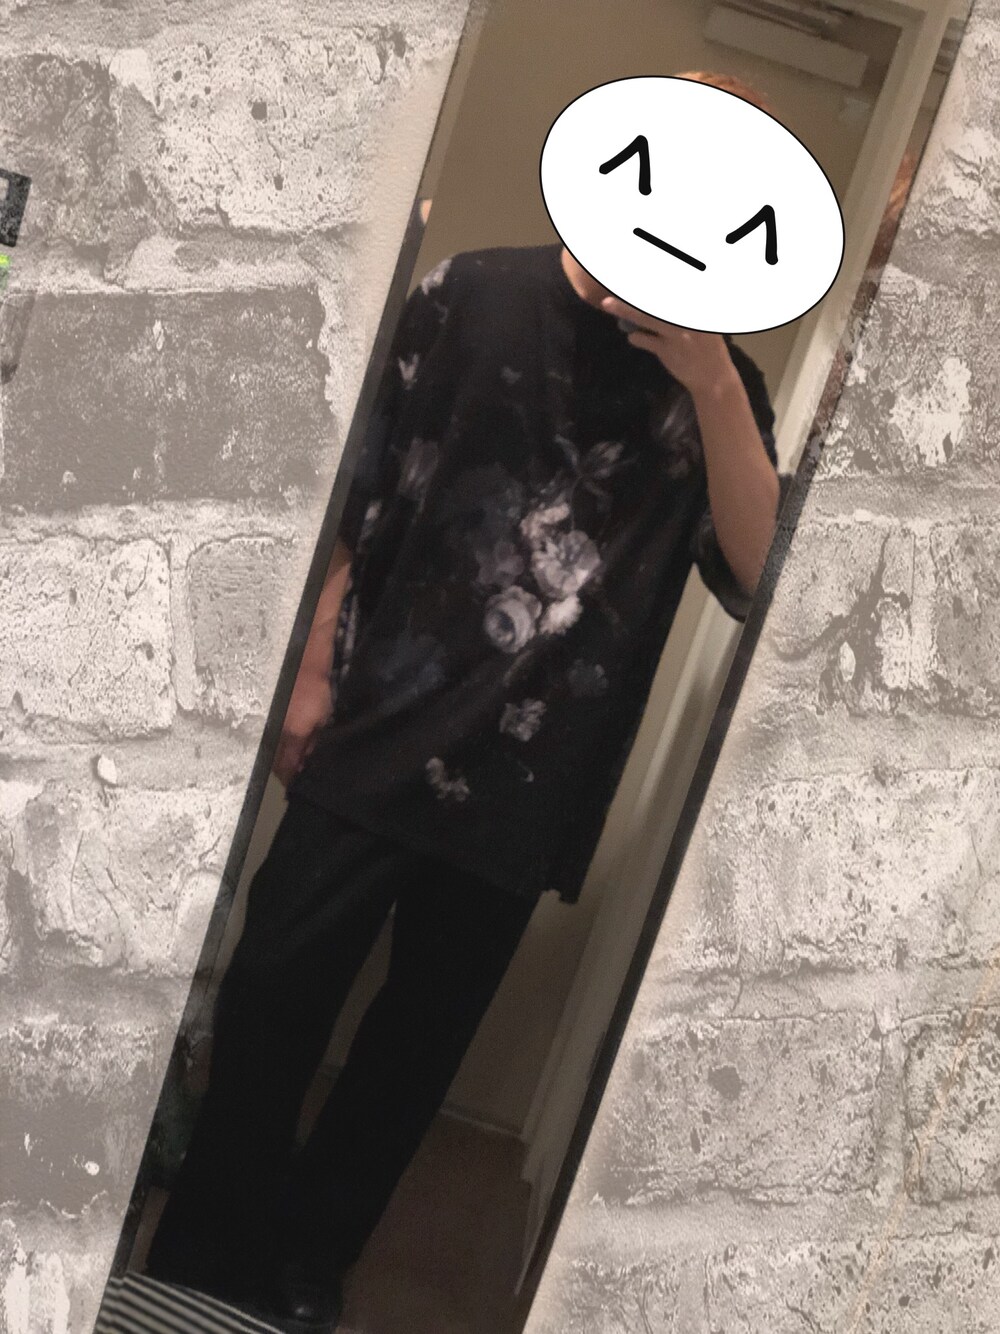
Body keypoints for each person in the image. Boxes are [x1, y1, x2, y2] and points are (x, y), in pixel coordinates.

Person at [144, 70, 786, 1333]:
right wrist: (309, 674)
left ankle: (307, 1260)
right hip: (370, 729)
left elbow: (760, 573)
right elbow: (359, 490)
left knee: (411, 1053)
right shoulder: (471, 292)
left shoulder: (727, 386)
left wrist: (713, 384)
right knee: (271, 996)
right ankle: (201, 1254)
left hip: (529, 784)